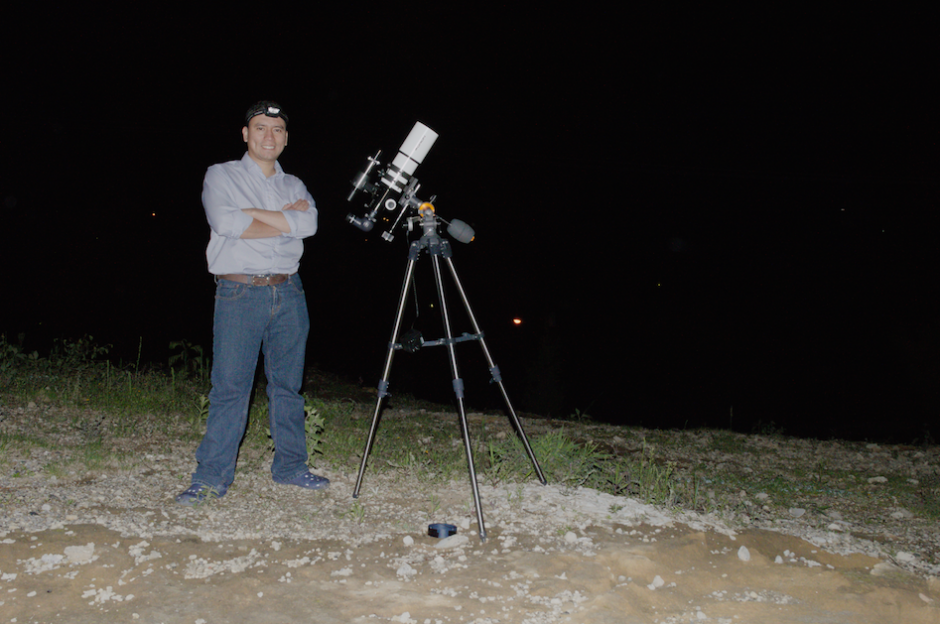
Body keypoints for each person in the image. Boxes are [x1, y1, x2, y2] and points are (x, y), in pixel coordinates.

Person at [176, 100, 329, 505]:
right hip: (239, 292)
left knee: (288, 387)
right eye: (260, 128)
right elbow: (225, 222)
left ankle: (291, 467)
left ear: (286, 138)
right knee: (230, 387)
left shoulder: (294, 185)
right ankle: (211, 477)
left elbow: (310, 224)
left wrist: (253, 216)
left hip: (289, 292)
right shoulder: (221, 174)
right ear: (246, 134)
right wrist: (285, 222)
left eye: (277, 130)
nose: (269, 136)